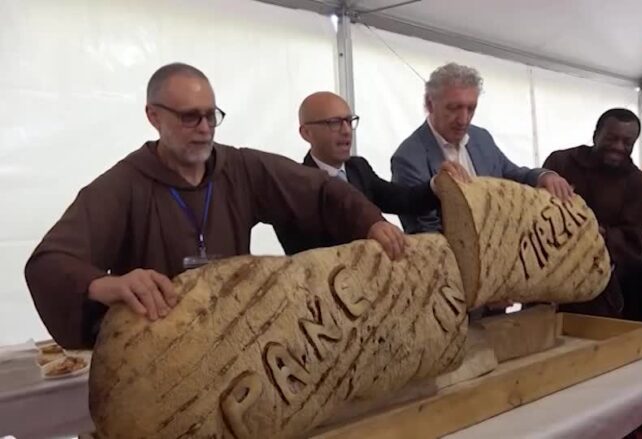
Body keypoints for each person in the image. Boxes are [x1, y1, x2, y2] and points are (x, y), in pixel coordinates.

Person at [24, 63, 405, 349]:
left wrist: (371, 222)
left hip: (237, 347)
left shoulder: (239, 168)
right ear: (153, 116)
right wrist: (104, 284)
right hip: (160, 355)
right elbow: (50, 262)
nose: (205, 128)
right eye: (190, 117)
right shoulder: (125, 184)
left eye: (211, 115)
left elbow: (321, 190)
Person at [274, 91, 470, 255]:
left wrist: (438, 184)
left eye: (349, 121)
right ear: (306, 133)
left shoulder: (358, 168)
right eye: (334, 123)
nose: (346, 131)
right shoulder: (295, 186)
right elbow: (308, 254)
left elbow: (403, 198)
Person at [391, 62, 573, 234]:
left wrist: (544, 176)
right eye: (454, 108)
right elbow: (426, 232)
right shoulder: (408, 158)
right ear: (430, 104)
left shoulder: (481, 138)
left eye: (471, 108)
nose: (463, 120)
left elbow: (512, 175)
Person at [543, 108, 642, 319]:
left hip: (605, 288)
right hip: (551, 277)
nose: (619, 147)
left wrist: (593, 231)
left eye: (627, 142)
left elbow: (632, 241)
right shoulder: (561, 163)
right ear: (596, 135)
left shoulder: (638, 183)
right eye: (612, 138)